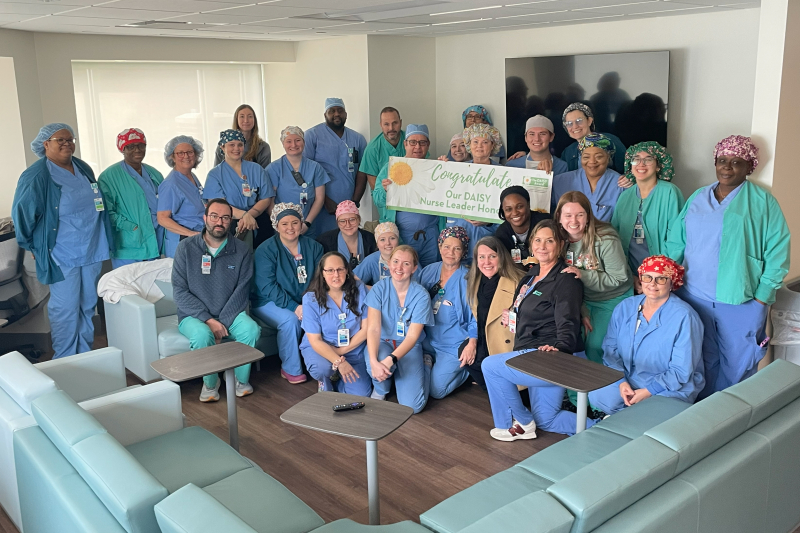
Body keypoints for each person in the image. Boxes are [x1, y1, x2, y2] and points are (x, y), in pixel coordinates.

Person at [666, 135, 790, 399]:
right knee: (700, 360)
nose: (727, 167)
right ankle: (702, 415)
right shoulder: (698, 197)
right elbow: (676, 242)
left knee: (738, 366)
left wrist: (762, 298)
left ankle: (731, 417)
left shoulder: (762, 202)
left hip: (740, 300)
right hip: (693, 295)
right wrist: (665, 278)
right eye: (722, 160)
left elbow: (778, 252)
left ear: (749, 167)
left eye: (736, 162)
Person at [12, 123, 114, 359]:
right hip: (61, 252)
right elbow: (22, 215)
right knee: (66, 308)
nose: (67, 144)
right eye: (61, 140)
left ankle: (84, 355)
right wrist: (32, 244)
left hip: (92, 247)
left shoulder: (82, 167)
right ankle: (66, 360)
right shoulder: (36, 176)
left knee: (87, 305)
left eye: (70, 139)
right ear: (46, 144)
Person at [482, 220, 586, 439]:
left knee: (490, 366)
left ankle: (518, 423)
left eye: (549, 241)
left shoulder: (566, 279)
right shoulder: (529, 276)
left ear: (560, 245)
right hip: (532, 351)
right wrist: (512, 313)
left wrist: (561, 349)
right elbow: (526, 308)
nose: (542, 246)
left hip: (551, 355)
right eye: (538, 240)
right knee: (547, 420)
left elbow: (568, 321)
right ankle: (607, 427)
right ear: (531, 244)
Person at [589, 255, 705, 415]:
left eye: (661, 279)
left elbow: (681, 371)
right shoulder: (625, 307)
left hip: (671, 386)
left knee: (650, 413)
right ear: (641, 279)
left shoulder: (685, 317)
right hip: (629, 378)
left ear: (672, 282)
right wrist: (621, 382)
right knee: (597, 396)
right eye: (647, 277)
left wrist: (648, 391)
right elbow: (610, 350)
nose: (652, 284)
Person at [172, 198, 261, 401]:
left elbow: (242, 290)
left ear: (231, 221)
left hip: (231, 312)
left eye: (225, 218)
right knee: (202, 335)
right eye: (214, 216)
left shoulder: (241, 250)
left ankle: (240, 380)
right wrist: (209, 320)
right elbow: (179, 291)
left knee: (251, 330)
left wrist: (223, 322)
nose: (219, 222)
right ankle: (211, 383)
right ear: (205, 218)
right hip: (194, 315)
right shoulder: (185, 248)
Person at [556, 191, 632, 369]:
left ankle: (605, 383)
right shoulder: (558, 241)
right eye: (568, 215)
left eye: (579, 215)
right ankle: (577, 386)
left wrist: (583, 275)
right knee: (570, 339)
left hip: (611, 297)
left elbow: (619, 277)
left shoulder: (606, 239)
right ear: (559, 217)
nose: (573, 221)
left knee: (596, 344)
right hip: (581, 299)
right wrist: (581, 309)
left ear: (588, 216)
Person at [251, 203, 324, 384]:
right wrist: (294, 307)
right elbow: (267, 286)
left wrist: (308, 303)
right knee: (290, 320)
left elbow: (319, 279)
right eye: (284, 223)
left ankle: (326, 365)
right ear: (276, 226)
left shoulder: (314, 247)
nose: (290, 228)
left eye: (294, 222)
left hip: (305, 300)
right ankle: (290, 368)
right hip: (267, 301)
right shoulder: (265, 250)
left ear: (301, 223)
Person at [365, 245, 433, 413]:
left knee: (413, 407)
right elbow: (373, 329)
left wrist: (390, 361)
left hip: (408, 346)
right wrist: (374, 361)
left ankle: (426, 365)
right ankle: (381, 390)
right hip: (383, 342)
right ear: (388, 264)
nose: (399, 268)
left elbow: (411, 337)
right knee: (374, 366)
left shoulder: (421, 295)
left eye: (406, 264)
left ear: (414, 268)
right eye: (395, 261)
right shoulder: (379, 289)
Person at [611, 142, 684, 289]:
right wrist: (628, 274)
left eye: (648, 159)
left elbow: (677, 238)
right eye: (636, 159)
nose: (641, 164)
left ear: (658, 166)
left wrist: (658, 275)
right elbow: (615, 237)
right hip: (631, 275)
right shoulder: (625, 197)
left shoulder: (670, 192)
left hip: (661, 276)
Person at [300, 252, 372, 395]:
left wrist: (341, 352)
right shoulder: (310, 299)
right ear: (322, 273)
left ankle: (338, 379)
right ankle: (325, 380)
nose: (336, 275)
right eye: (330, 270)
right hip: (322, 349)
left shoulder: (359, 289)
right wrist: (339, 361)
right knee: (322, 368)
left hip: (353, 348)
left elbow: (366, 329)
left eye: (340, 269)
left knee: (361, 394)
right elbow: (315, 340)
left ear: (347, 271)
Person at [373, 124, 445, 268]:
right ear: (405, 144)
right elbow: (377, 198)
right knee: (405, 273)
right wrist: (386, 190)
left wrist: (448, 170)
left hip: (431, 237)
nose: (417, 147)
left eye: (422, 142)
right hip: (403, 236)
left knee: (431, 273)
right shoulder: (391, 168)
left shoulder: (436, 169)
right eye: (413, 142)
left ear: (428, 145)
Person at [419, 227, 478, 399]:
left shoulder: (468, 279)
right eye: (446, 246)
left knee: (436, 391)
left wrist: (472, 344)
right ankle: (429, 362)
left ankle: (466, 371)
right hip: (426, 340)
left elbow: (476, 316)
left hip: (453, 344)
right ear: (439, 247)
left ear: (464, 252)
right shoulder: (428, 271)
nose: (450, 252)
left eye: (457, 248)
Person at [98, 128, 164, 269]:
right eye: (131, 147)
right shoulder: (109, 177)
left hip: (154, 239)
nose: (137, 150)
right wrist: (131, 227)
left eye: (141, 145)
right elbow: (106, 211)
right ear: (122, 149)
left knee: (154, 281)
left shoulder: (154, 173)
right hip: (129, 243)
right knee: (128, 282)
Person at [465, 237, 524, 389]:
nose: (487, 262)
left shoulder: (518, 281)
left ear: (501, 257)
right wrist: (472, 342)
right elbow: (475, 318)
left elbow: (532, 316)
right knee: (464, 354)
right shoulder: (474, 281)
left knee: (515, 393)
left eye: (492, 256)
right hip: (483, 341)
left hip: (506, 345)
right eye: (481, 257)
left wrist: (515, 316)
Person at [304, 98, 368, 234]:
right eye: (332, 111)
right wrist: (324, 200)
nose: (337, 114)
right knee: (324, 239)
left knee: (348, 239)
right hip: (322, 205)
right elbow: (306, 172)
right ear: (325, 115)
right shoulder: (312, 136)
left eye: (340, 110)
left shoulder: (358, 139)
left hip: (349, 204)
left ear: (346, 114)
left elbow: (362, 172)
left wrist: (354, 202)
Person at [213, 104, 273, 248]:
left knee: (260, 248)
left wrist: (250, 214)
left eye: (250, 116)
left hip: (256, 209)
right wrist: (241, 215)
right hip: (230, 212)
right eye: (242, 116)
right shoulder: (216, 172)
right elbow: (218, 182)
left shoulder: (262, 149)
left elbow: (264, 187)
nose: (246, 120)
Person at [267, 126, 329, 238]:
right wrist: (280, 224)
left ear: (304, 142)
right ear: (283, 144)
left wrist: (307, 223)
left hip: (307, 225)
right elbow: (269, 201)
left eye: (298, 140)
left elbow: (319, 199)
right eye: (289, 141)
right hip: (283, 228)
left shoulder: (315, 168)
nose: (294, 145)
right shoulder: (274, 168)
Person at [552, 132, 626, 222]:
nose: (592, 161)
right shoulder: (560, 182)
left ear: (608, 157)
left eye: (598, 157)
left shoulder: (621, 184)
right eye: (586, 157)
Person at [157, 136, 206, 258]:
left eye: (190, 152)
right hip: (183, 239)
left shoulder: (191, 176)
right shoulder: (170, 184)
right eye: (180, 153)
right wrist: (190, 233)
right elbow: (162, 218)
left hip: (197, 236)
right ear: (172, 157)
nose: (186, 156)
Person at [560, 102, 626, 173]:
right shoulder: (568, 152)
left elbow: (628, 169)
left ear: (589, 121)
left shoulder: (610, 140)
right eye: (569, 123)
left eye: (579, 121)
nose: (575, 126)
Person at [494, 186, 550, 269]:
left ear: (528, 205)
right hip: (518, 274)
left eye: (519, 207)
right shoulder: (502, 233)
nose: (514, 213)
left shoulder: (545, 223)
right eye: (508, 209)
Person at [354, 222, 419, 286]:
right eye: (382, 239)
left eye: (392, 238)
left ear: (398, 241)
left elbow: (419, 286)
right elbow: (352, 282)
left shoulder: (409, 258)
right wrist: (373, 290)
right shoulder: (371, 260)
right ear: (377, 244)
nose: (388, 243)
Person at [316, 201, 377, 268]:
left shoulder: (371, 239)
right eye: (342, 221)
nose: (348, 225)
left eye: (352, 220)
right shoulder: (324, 242)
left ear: (359, 220)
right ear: (337, 223)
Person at [360, 107, 405, 190]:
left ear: (401, 123)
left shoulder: (412, 141)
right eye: (386, 124)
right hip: (385, 196)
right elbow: (374, 186)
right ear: (381, 125)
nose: (391, 128)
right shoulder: (372, 149)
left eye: (395, 123)